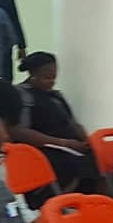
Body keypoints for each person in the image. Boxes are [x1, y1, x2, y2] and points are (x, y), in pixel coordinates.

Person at [15, 51, 102, 199]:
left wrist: (86, 140)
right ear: (32, 74)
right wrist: (63, 143)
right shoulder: (22, 95)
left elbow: (72, 122)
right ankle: (60, 202)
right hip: (43, 147)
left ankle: (94, 202)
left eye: (54, 77)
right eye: (46, 78)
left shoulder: (56, 96)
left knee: (96, 160)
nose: (51, 82)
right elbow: (21, 132)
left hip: (70, 146)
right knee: (71, 164)